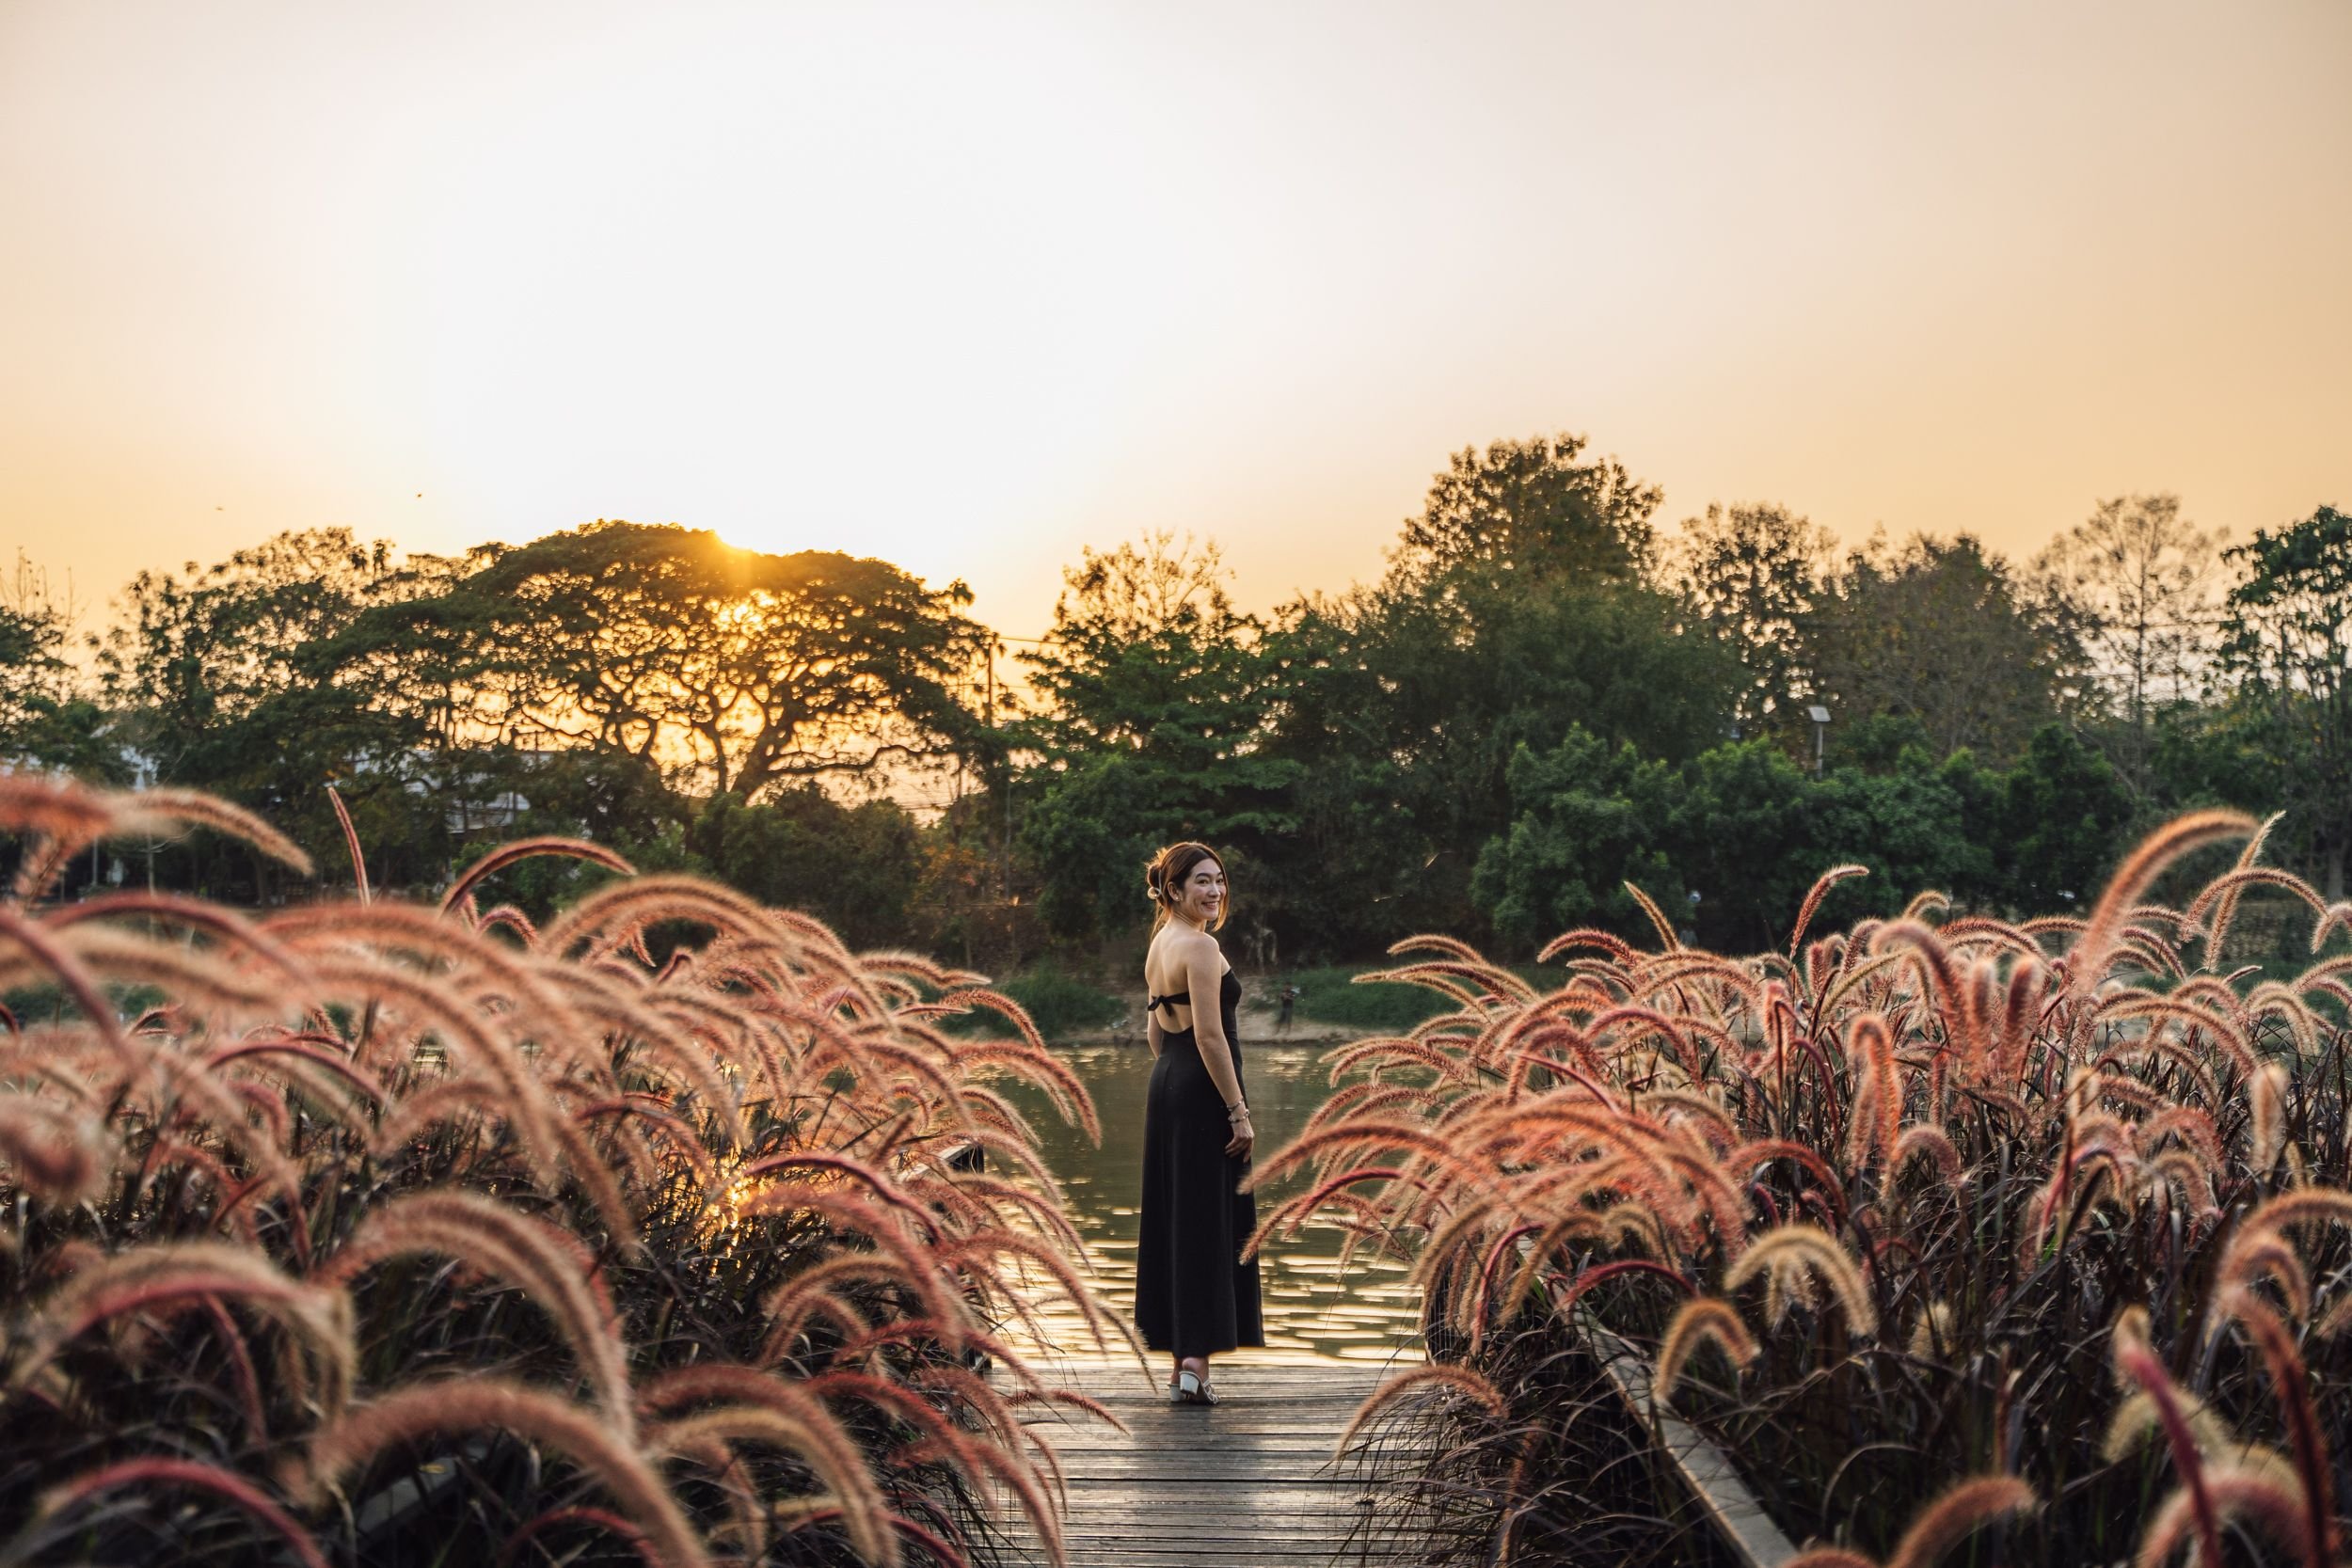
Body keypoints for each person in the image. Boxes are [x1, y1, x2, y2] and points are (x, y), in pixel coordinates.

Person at [1134, 841, 1263, 1403]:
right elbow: (1211, 1036)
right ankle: (1195, 1369)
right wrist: (1237, 1110)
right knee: (1204, 1221)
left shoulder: (1162, 943)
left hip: (1168, 1082)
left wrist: (1174, 1080)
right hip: (1204, 1090)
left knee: (1176, 1216)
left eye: (1219, 881)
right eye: (1202, 882)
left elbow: (1156, 1032)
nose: (1214, 892)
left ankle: (1180, 1363)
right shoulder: (1202, 948)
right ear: (1174, 890)